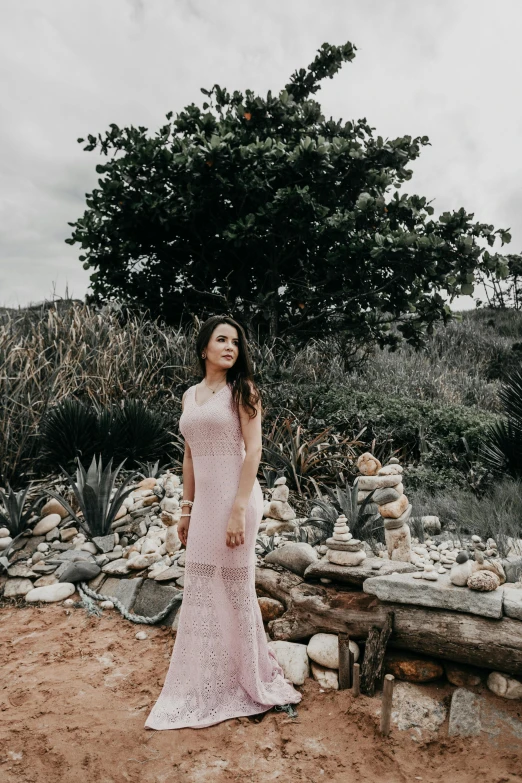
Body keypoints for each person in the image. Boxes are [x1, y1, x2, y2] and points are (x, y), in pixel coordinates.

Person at [144, 314, 302, 730]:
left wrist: (236, 509)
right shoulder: (189, 395)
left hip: (237, 502)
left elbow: (253, 452)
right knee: (201, 585)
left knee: (234, 588)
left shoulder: (243, 391)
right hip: (205, 504)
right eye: (222, 339)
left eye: (236, 341)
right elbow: (190, 455)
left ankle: (246, 677)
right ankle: (207, 679)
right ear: (204, 349)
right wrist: (185, 509)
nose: (231, 346)